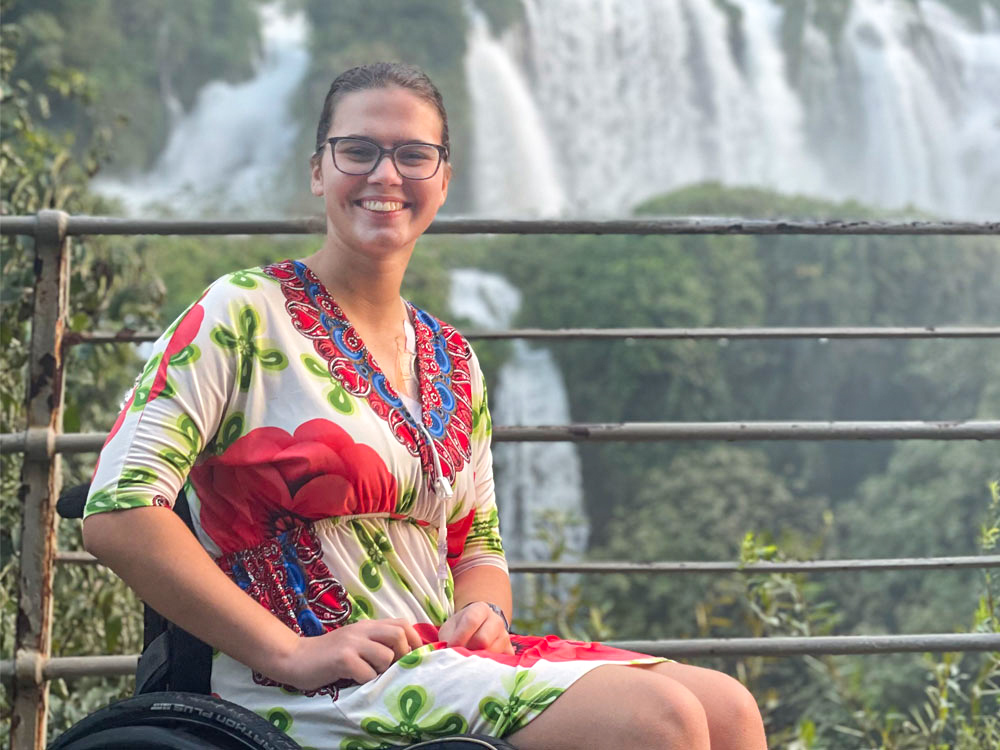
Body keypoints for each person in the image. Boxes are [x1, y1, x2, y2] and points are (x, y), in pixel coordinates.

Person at [83, 62, 767, 750]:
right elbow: (119, 514)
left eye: (413, 155)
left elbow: (477, 547)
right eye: (358, 150)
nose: (386, 175)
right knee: (660, 719)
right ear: (318, 170)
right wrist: (287, 653)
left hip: (440, 662)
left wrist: (482, 612)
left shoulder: (452, 357)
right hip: (312, 686)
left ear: (443, 177)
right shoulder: (242, 313)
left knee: (730, 710)